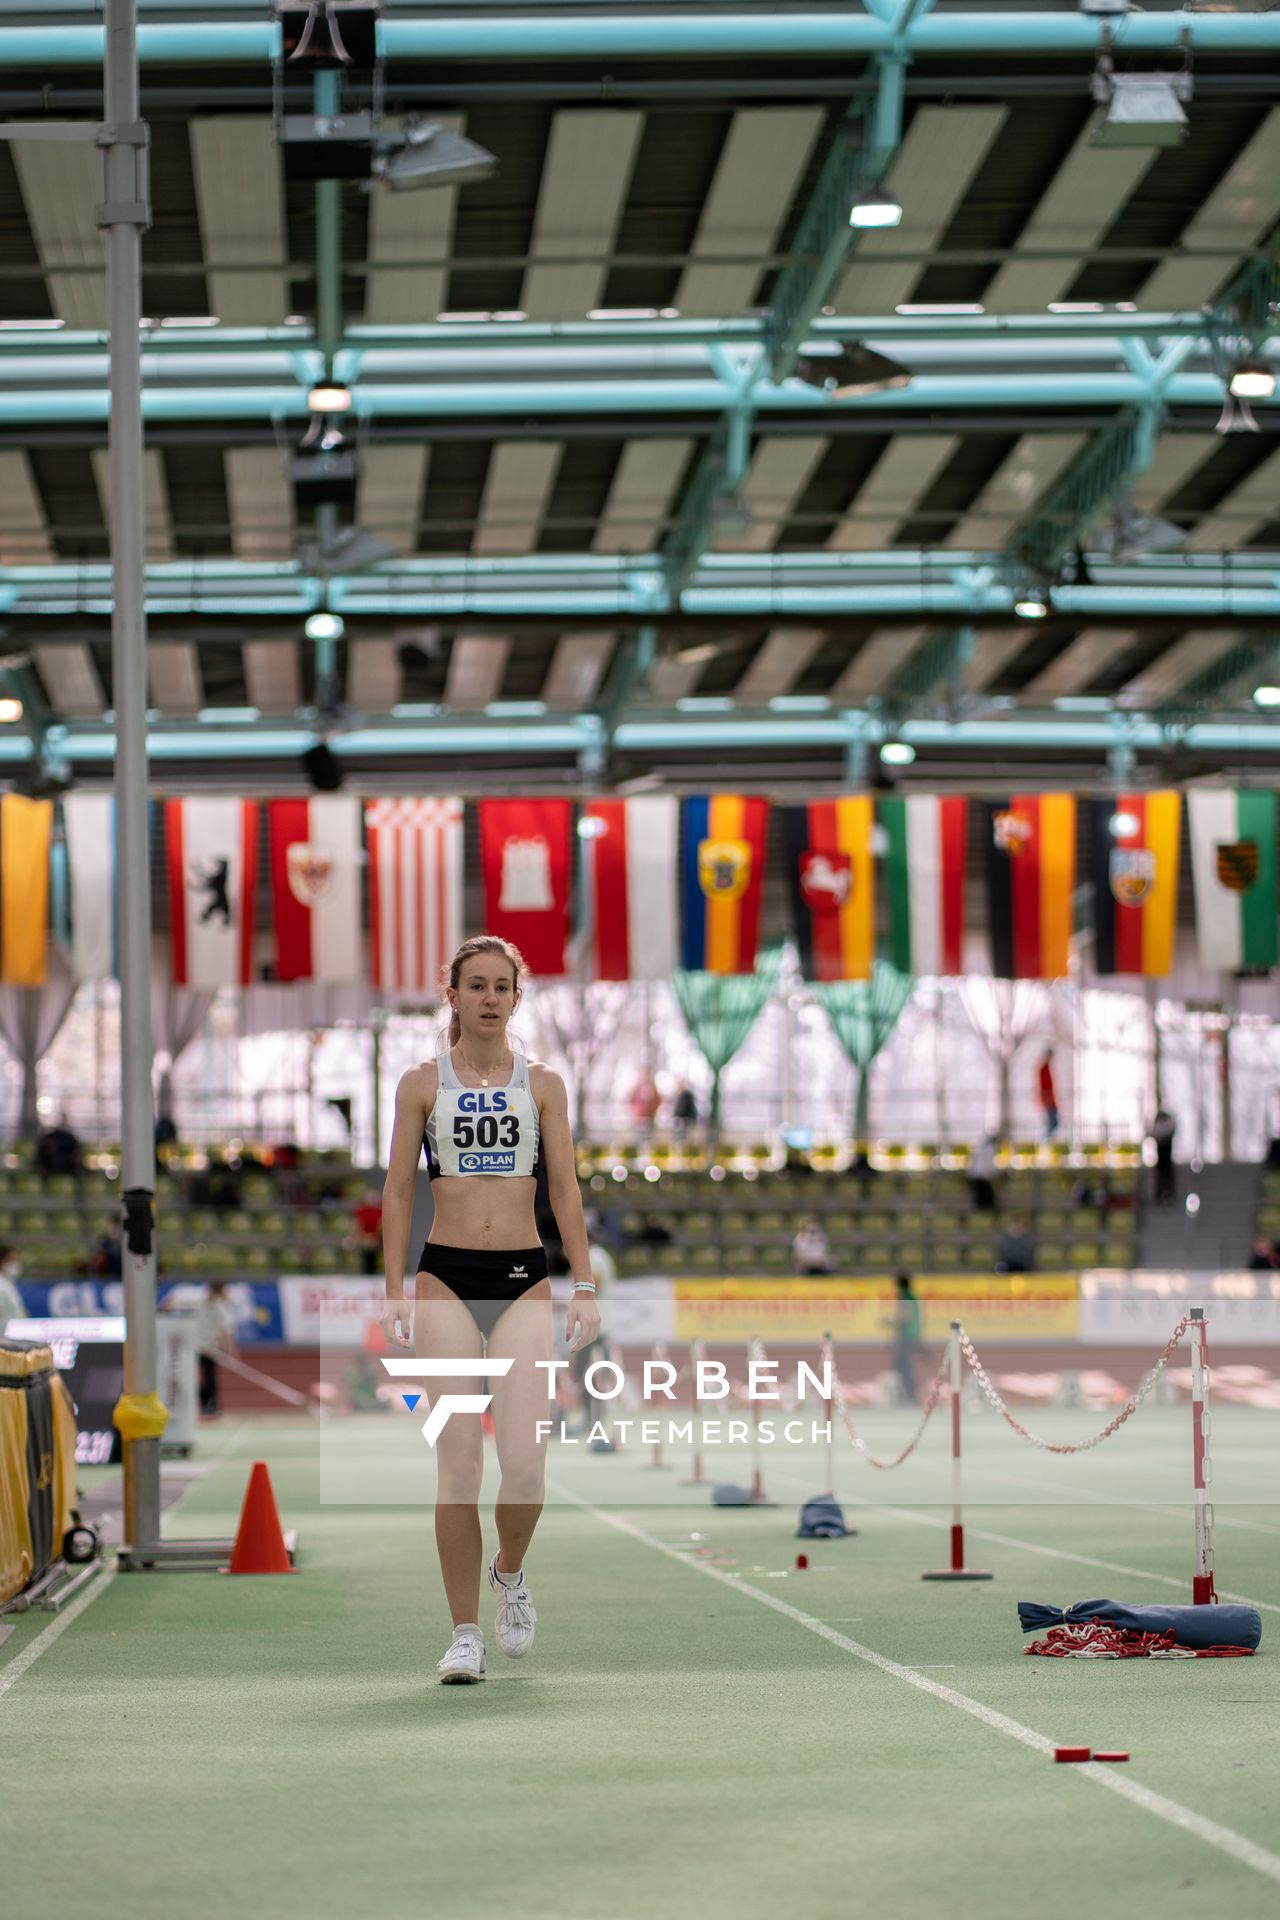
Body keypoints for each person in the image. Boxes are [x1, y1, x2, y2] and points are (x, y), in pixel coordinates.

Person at [380, 934, 600, 1686]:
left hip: (524, 1279)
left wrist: (586, 1285)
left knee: (528, 1468)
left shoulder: (544, 1085)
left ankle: (509, 1574)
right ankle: (463, 1632)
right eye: (473, 985)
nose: (486, 997)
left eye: (499, 986)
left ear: (515, 997)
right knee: (459, 1466)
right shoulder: (421, 1083)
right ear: (453, 996)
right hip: (444, 1278)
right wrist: (392, 1290)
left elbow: (565, 1191)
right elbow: (398, 1193)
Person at [196, 1278, 236, 1417]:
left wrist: (229, 1350)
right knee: (191, 1378)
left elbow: (225, 1330)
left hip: (210, 1349)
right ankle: (205, 1402)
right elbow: (226, 1331)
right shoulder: (199, 1303)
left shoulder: (219, 1307)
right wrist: (231, 1350)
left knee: (210, 1377)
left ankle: (212, 1405)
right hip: (196, 1347)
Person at [886, 1272, 922, 1406]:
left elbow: (906, 1316)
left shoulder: (904, 1296)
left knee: (904, 1367)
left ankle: (910, 1397)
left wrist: (892, 1322)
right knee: (901, 1365)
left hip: (906, 1335)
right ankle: (906, 1396)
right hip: (911, 1334)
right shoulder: (912, 1295)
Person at [35, 1110, 83, 1181]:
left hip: (68, 1169)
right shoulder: (48, 1138)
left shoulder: (70, 1138)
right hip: (50, 1168)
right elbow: (41, 1154)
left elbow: (77, 1153)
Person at [351, 1187, 383, 1276]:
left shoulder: (381, 1210)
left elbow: (381, 1228)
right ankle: (366, 1273)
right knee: (366, 1249)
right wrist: (362, 1238)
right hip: (365, 1240)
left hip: (377, 1240)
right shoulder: (361, 1210)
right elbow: (357, 1226)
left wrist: (375, 1238)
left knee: (373, 1248)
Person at [1150, 1108, 1176, 1207]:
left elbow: (1171, 1132)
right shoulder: (1157, 1126)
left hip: (1167, 1156)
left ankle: (1169, 1195)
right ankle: (1159, 1196)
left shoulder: (1168, 1125)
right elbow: (1154, 1135)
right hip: (1160, 1156)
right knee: (1160, 1176)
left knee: (1168, 1176)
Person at [968, 1134, 999, 1212]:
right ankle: (984, 1215)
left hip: (975, 1176)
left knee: (981, 1197)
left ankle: (982, 1214)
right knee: (985, 1198)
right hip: (981, 1177)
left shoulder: (981, 1147)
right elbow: (989, 1166)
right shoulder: (990, 1149)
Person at [0, 1247, 24, 1333]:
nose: (15, 1263)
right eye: (10, 1260)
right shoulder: (1, 1285)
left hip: (10, 1339)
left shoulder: (8, 1285)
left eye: (17, 1260)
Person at [1037, 1051, 1059, 1140]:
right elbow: (1044, 1087)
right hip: (1047, 1101)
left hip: (1050, 1100)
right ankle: (1044, 1139)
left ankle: (1045, 1139)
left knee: (1053, 1123)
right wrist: (1046, 1100)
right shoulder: (1043, 1068)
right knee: (1053, 1122)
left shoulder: (1046, 1068)